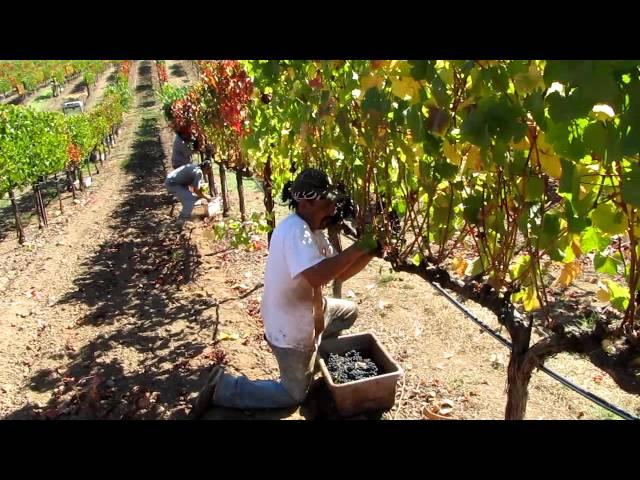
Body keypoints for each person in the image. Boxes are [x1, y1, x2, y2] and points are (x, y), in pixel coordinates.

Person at [192, 168, 382, 416]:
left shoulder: (312, 232)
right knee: (294, 394)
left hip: (309, 311)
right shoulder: (295, 231)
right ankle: (224, 387)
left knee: (348, 312)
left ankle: (317, 355)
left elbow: (340, 272)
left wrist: (368, 253)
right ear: (306, 202)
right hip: (290, 329)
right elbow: (317, 276)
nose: (333, 206)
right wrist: (359, 247)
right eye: (327, 200)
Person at [165, 160, 213, 227]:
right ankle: (180, 223)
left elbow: (192, 187)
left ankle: (188, 214)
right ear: (206, 169)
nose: (207, 173)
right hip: (173, 184)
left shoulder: (195, 167)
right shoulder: (199, 173)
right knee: (190, 201)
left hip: (171, 180)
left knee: (190, 197)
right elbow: (197, 191)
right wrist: (207, 197)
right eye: (208, 171)